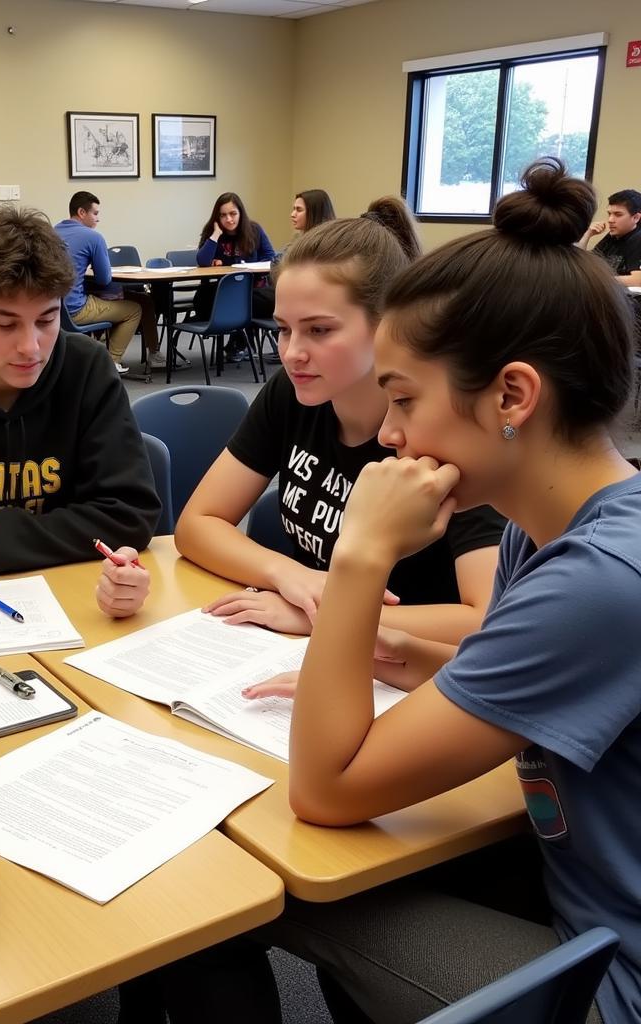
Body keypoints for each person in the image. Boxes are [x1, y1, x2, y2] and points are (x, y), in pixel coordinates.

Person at [236, 157, 640, 1024]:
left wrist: (359, 558)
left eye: (404, 399)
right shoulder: (559, 523)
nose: (387, 435)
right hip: (576, 888)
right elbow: (516, 671)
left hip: (614, 985)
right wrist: (413, 655)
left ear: (513, 395)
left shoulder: (601, 582)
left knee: (275, 879)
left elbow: (327, 788)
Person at [176, 198, 504, 645]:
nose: (292, 354)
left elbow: (483, 620)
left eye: (320, 330)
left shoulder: (441, 433)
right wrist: (288, 574)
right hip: (308, 650)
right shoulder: (292, 394)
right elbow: (197, 523)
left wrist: (329, 617)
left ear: (386, 325)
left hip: (406, 672)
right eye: (285, 328)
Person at [0, 207, 161, 577]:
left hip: (72, 590)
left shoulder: (87, 367)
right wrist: (56, 535)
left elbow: (129, 517)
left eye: (46, 320)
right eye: (5, 324)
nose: (31, 347)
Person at [53, 190, 163, 374]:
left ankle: (149, 353)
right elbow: (104, 280)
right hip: (75, 308)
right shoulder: (93, 237)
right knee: (135, 309)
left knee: (142, 300)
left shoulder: (52, 231)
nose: (98, 219)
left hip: (53, 308)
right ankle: (111, 363)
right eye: (95, 213)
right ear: (81, 212)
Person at [195, 191, 277, 361]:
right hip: (221, 292)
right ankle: (242, 343)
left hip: (253, 290)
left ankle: (240, 343)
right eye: (223, 215)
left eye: (233, 214)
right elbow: (202, 261)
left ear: (241, 213)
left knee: (266, 299)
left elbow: (270, 257)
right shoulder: (212, 232)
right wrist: (216, 235)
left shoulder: (254, 230)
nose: (229, 219)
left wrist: (249, 266)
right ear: (217, 217)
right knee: (205, 300)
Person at [261, 189, 338, 364]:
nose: (292, 214)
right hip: (295, 296)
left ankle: (240, 344)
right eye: (293, 209)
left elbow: (277, 268)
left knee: (249, 298)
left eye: (298, 210)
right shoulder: (304, 240)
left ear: (314, 213)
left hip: (303, 298)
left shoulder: (316, 245)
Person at [577, 187, 641, 286]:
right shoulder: (612, 236)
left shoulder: (638, 239)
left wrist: (597, 279)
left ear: (636, 217)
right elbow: (579, 262)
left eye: (618, 214)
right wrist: (588, 234)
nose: (610, 220)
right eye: (609, 214)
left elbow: (638, 280)